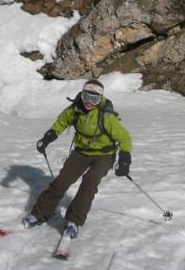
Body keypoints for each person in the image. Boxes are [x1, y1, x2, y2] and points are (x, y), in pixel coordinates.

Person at [23, 79, 132, 239]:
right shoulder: (74, 110)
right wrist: (48, 137)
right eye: (86, 96)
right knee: (61, 182)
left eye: (94, 99)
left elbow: (124, 138)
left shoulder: (106, 116)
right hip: (81, 152)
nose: (89, 102)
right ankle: (40, 214)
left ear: (100, 99)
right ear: (81, 94)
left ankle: (74, 221)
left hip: (104, 155)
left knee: (90, 181)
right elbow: (61, 123)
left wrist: (124, 159)